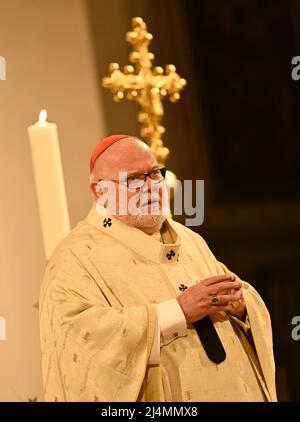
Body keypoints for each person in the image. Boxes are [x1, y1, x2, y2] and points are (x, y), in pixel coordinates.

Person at [39, 134, 277, 402]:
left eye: (155, 173)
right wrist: (178, 311)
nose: (150, 186)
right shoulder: (76, 256)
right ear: (100, 190)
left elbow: (240, 303)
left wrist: (242, 306)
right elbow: (80, 341)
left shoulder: (189, 240)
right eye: (133, 179)